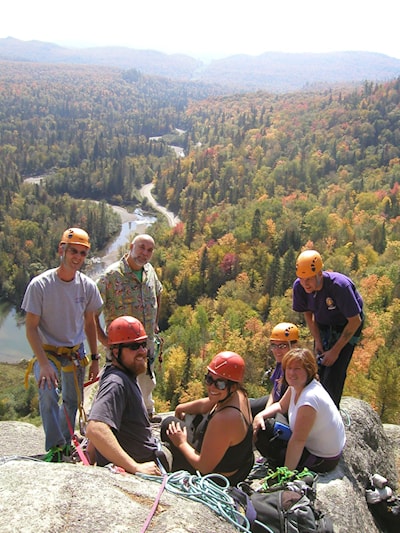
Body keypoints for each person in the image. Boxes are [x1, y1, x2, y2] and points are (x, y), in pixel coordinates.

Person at [21, 227, 103, 462]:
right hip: (48, 353)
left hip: (75, 353)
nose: (77, 258)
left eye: (82, 253)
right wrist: (44, 365)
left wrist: (96, 358)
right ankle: (55, 447)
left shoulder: (87, 286)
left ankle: (65, 443)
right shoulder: (41, 285)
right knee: (47, 393)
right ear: (62, 250)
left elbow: (90, 324)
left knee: (72, 400)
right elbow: (31, 327)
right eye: (73, 251)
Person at [86, 315, 170, 475]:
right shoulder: (116, 383)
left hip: (148, 457)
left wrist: (90, 456)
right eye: (133, 346)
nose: (142, 351)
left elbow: (104, 416)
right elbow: (95, 428)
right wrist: (135, 467)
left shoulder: (124, 375)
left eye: (143, 345)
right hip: (145, 464)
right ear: (116, 351)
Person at [95, 234, 163, 423]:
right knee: (118, 385)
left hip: (145, 344)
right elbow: (90, 311)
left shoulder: (150, 272)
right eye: (141, 247)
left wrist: (155, 323)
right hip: (121, 349)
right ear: (131, 246)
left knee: (146, 381)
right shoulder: (111, 276)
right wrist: (103, 339)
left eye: (149, 250)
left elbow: (159, 293)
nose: (145, 253)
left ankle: (147, 414)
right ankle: (115, 423)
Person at [161, 351, 254, 486]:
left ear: (232, 386)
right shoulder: (238, 394)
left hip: (217, 478)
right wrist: (180, 408)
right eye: (209, 379)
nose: (211, 387)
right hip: (237, 466)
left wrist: (180, 442)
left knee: (168, 426)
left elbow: (203, 467)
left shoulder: (225, 419)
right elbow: (206, 405)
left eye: (219, 383)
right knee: (177, 422)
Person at [253, 347, 346, 473]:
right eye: (289, 368)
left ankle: (278, 466)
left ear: (308, 370)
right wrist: (260, 416)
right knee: (266, 421)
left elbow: (298, 441)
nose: (291, 373)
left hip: (321, 460)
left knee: (264, 433)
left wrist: (286, 473)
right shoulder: (298, 386)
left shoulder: (309, 399)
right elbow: (281, 406)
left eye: (297, 369)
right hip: (316, 449)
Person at [292, 249, 364, 408]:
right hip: (323, 321)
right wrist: (318, 341)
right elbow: (308, 315)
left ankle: (331, 411)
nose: (305, 284)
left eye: (309, 279)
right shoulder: (300, 287)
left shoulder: (339, 286)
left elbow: (355, 321)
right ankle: (313, 406)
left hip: (348, 323)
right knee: (318, 366)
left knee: (335, 368)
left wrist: (336, 350)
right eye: (302, 279)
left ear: (319, 273)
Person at [250, 322, 299, 418]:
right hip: (277, 402)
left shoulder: (296, 371)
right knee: (245, 405)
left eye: (282, 346)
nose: (276, 350)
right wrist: (266, 409)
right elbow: (275, 390)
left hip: (287, 411)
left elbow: (284, 406)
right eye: (273, 345)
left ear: (294, 346)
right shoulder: (281, 364)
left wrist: (264, 415)